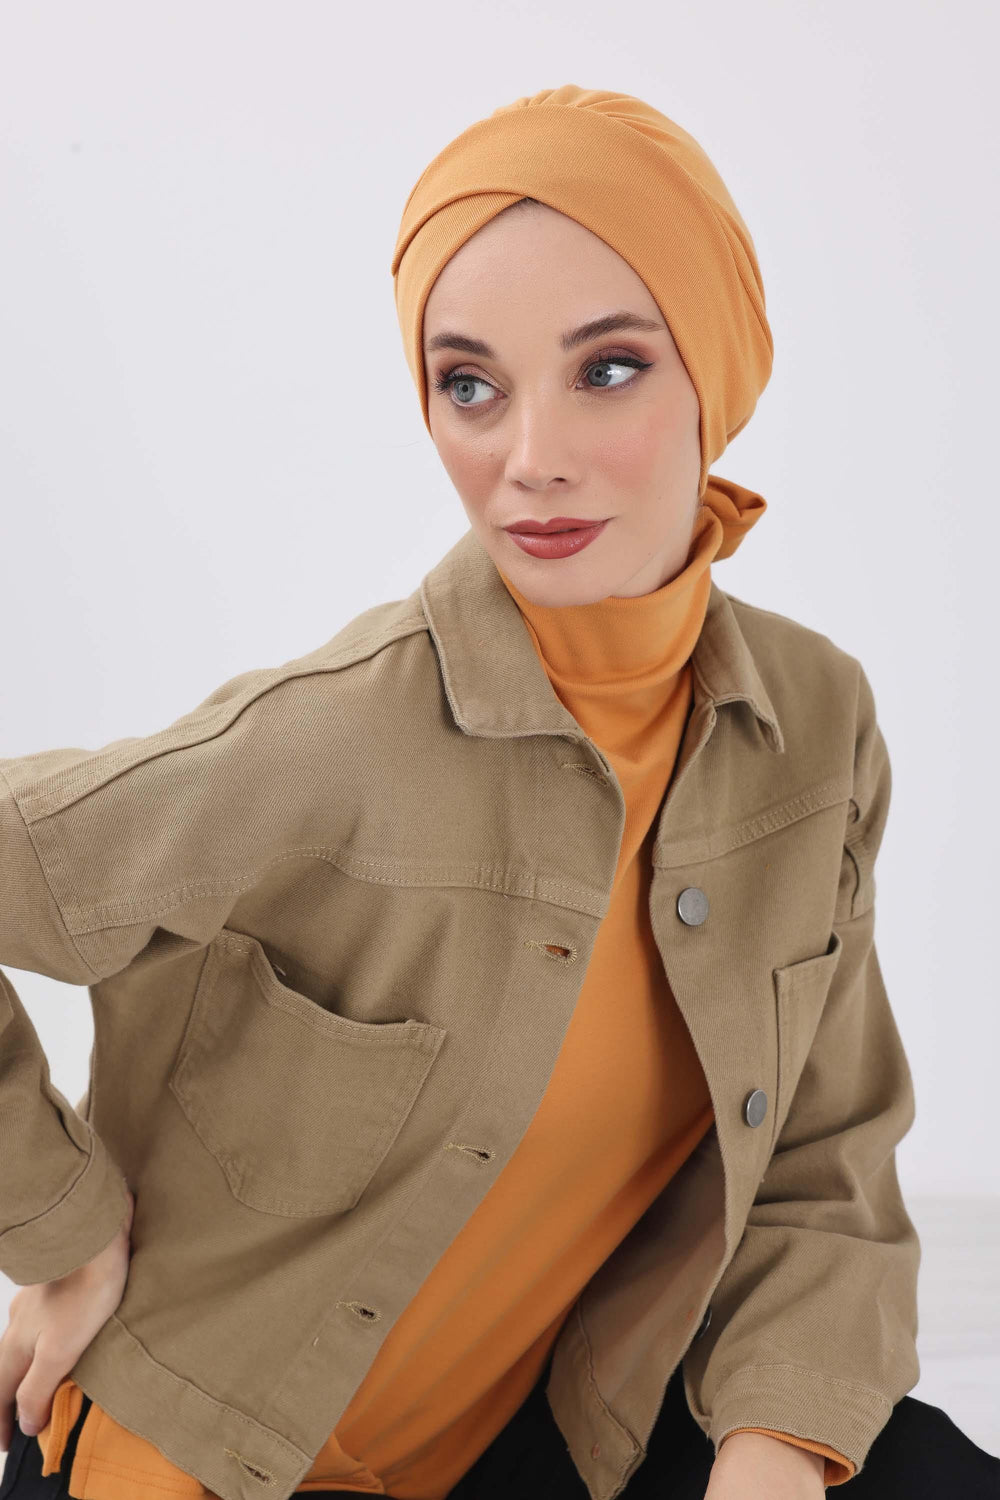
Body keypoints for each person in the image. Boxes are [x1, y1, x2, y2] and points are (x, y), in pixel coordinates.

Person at [1, 84, 998, 1500]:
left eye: (609, 369)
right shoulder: (332, 739)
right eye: (470, 385)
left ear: (717, 375)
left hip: (547, 1433)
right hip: (209, 1460)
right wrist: (58, 1224)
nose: (530, 459)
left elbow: (823, 1158)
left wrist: (773, 1450)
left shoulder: (814, 727)